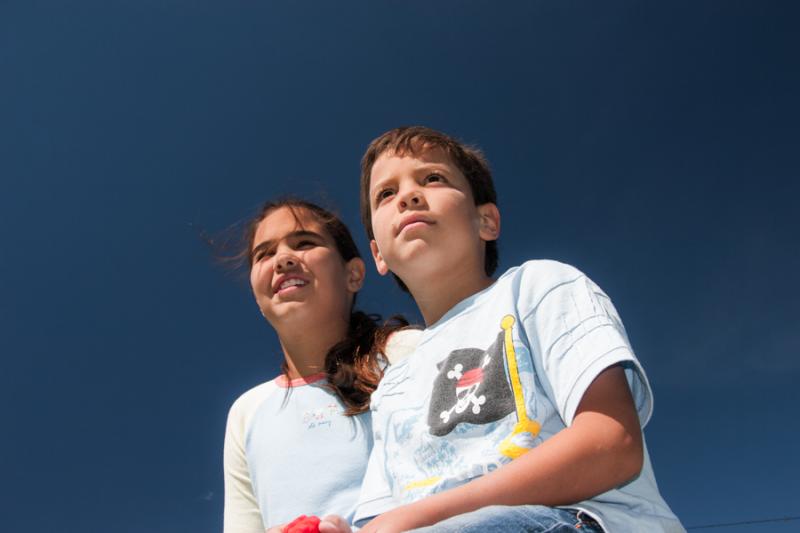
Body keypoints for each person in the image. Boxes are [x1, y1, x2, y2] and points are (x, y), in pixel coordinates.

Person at [329, 126, 684, 532]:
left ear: (486, 220)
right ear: (378, 254)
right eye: (386, 194)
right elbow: (378, 521)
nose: (408, 195)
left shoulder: (538, 287)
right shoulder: (393, 388)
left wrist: (428, 515)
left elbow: (611, 444)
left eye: (433, 178)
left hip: (581, 519)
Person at [222, 199, 418, 533]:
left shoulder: (408, 352)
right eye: (264, 254)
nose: (283, 259)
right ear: (257, 297)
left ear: (353, 274)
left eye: (305, 244)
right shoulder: (246, 412)